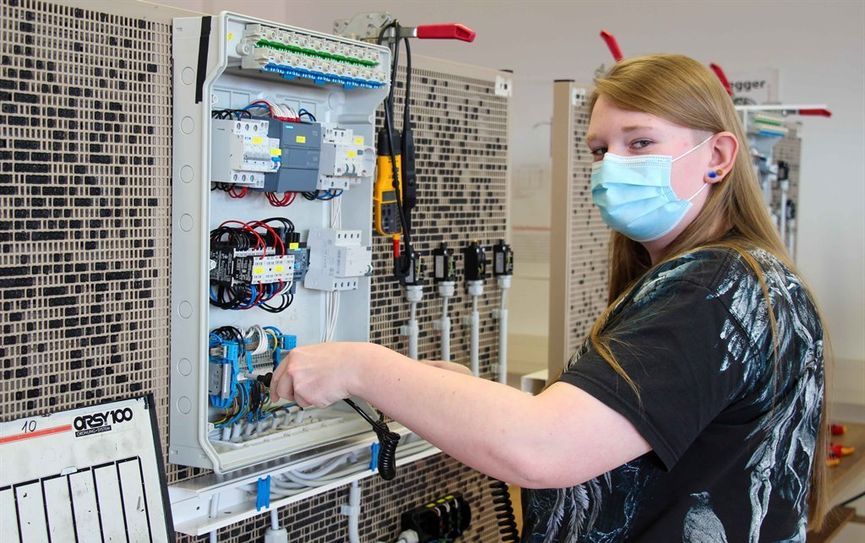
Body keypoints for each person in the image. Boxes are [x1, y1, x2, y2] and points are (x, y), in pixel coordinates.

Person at [269, 54, 828, 542]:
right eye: (599, 149)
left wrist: (359, 365)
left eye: (640, 142)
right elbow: (608, 429)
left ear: (719, 156)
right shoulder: (750, 279)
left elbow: (542, 448)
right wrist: (457, 395)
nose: (611, 167)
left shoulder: (714, 288)